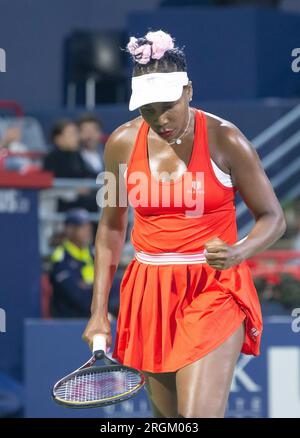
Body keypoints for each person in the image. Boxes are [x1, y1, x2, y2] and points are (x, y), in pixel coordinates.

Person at [82, 29, 286, 418]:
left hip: (213, 289)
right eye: (147, 110)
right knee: (170, 421)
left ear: (189, 91)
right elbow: (110, 227)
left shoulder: (227, 140)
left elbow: (273, 217)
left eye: (167, 106)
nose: (160, 119)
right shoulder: (120, 144)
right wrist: (98, 311)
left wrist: (238, 251)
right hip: (149, 292)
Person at [43, 118, 99, 212]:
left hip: (80, 198)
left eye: (76, 134)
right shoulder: (51, 158)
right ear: (58, 139)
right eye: (72, 134)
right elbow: (51, 187)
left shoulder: (76, 155)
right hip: (61, 202)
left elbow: (87, 173)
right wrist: (74, 190)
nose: (77, 138)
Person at [49, 208, 94, 317]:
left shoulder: (91, 253)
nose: (87, 231)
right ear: (69, 230)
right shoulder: (60, 258)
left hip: (92, 317)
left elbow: (108, 287)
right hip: (68, 321)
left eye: (88, 227)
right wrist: (95, 289)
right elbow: (77, 297)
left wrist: (86, 286)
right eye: (82, 227)